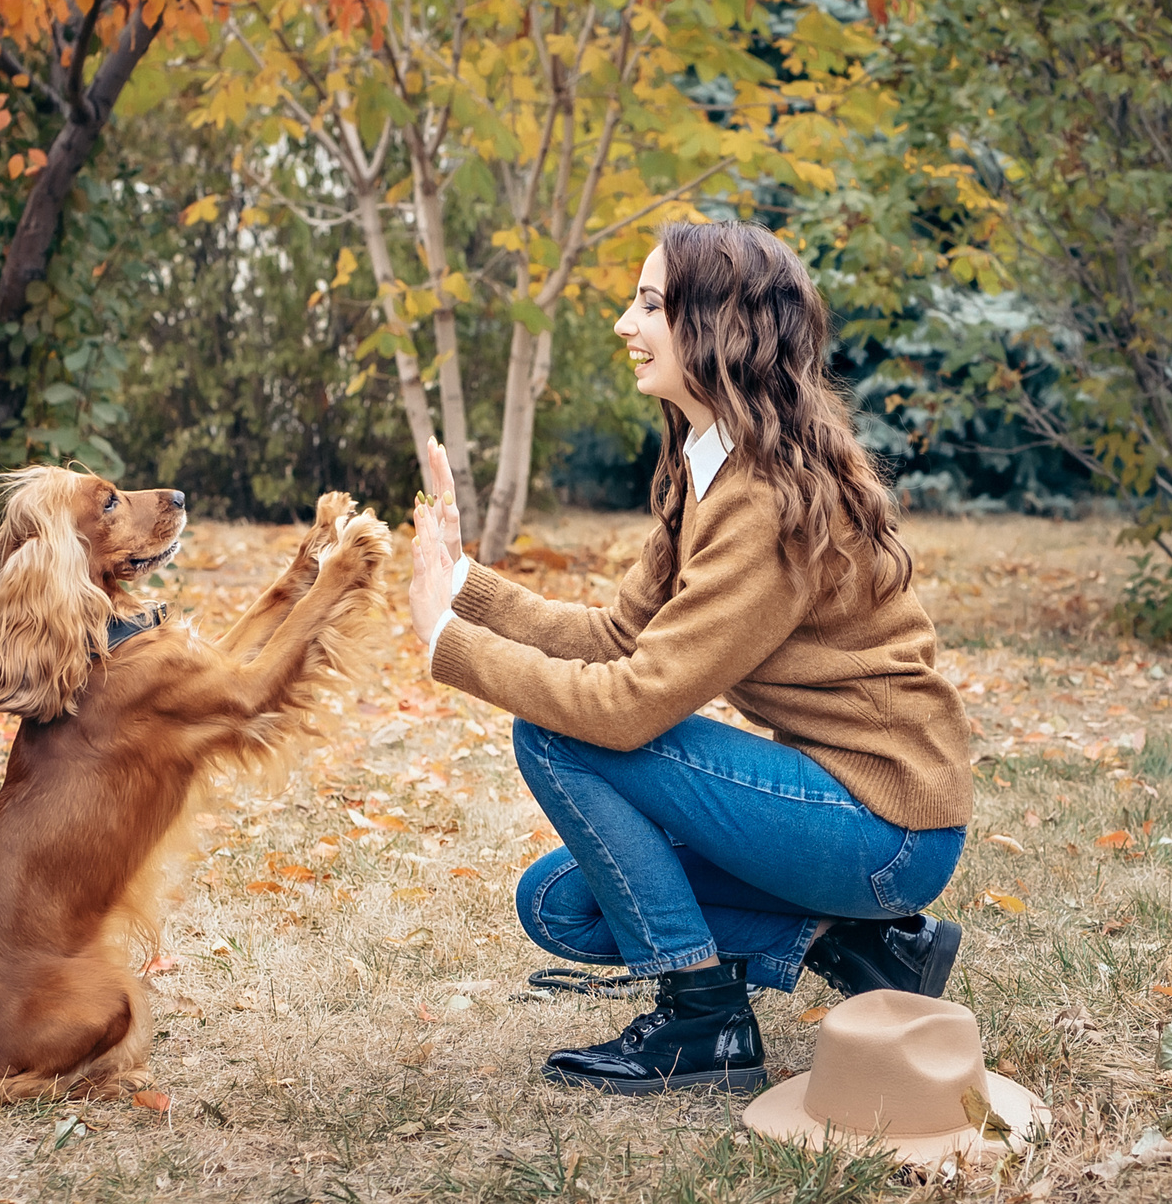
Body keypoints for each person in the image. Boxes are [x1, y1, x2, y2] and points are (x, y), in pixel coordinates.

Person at [406, 220, 974, 1095]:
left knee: (557, 735)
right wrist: (464, 588)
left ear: (717, 326)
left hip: (888, 822)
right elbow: (618, 638)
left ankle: (705, 1020)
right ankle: (863, 944)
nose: (626, 324)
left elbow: (628, 705)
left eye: (650, 304)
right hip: (836, 803)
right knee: (561, 901)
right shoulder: (704, 463)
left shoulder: (762, 497)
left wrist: (448, 645)